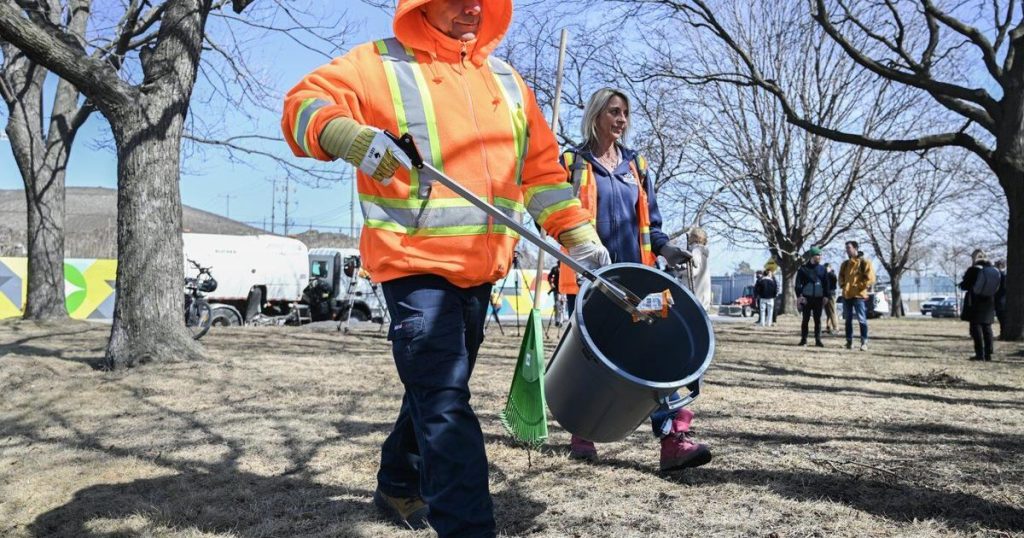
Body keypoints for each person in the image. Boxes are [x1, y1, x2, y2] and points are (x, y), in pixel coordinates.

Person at [282, 2, 609, 535]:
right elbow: (300, 106)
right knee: (445, 402)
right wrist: (345, 134)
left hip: (480, 271)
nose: (472, 7)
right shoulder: (380, 65)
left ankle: (396, 482)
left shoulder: (505, 82)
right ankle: (469, 527)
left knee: (434, 390)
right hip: (412, 266)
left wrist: (576, 232)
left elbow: (543, 173)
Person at [556, 88, 711, 472]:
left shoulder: (636, 165)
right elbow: (558, 218)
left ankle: (674, 439)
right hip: (592, 277)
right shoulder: (573, 162)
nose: (621, 119)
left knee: (659, 353)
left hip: (640, 278)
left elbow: (652, 224)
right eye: (613, 111)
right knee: (593, 357)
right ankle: (583, 431)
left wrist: (667, 249)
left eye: (625, 112)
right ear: (596, 114)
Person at [960, 250, 1000, 361]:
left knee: (975, 327)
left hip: (975, 301)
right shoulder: (993, 271)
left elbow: (965, 285)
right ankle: (988, 353)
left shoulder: (973, 270)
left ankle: (979, 354)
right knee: (987, 327)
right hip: (989, 301)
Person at [839, 240, 876, 351]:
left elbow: (871, 279)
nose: (847, 250)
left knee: (862, 319)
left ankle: (864, 342)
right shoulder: (845, 264)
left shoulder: (865, 262)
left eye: (849, 248)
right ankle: (849, 342)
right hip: (847, 295)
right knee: (848, 320)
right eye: (846, 248)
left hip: (859, 296)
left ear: (855, 248)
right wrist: (843, 285)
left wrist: (859, 286)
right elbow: (840, 277)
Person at [795, 247, 828, 347]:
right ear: (812, 256)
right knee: (805, 320)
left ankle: (818, 340)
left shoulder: (822, 269)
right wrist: (800, 296)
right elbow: (798, 284)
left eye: (820, 255)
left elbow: (826, 284)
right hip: (806, 298)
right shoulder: (803, 269)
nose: (820, 257)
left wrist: (826, 296)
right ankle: (803, 340)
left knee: (818, 320)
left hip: (818, 298)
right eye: (818, 255)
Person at [823, 263, 839, 334]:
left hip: (831, 295)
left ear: (829, 267)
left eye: (826, 268)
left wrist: (829, 271)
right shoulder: (825, 275)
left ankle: (836, 328)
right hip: (825, 295)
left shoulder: (832, 274)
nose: (825, 269)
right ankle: (828, 327)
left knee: (832, 311)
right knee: (828, 313)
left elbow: (835, 279)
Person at [994, 259, 1007, 340]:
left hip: (1000, 300)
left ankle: (1003, 334)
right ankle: (1003, 333)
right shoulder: (1004, 275)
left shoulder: (1001, 276)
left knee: (1002, 318)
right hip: (1002, 299)